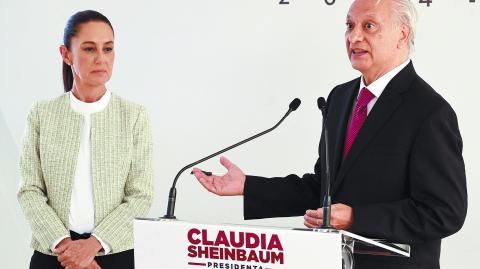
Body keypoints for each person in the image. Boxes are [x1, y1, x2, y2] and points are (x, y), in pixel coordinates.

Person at [192, 0, 468, 268]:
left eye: (369, 26)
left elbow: (443, 212)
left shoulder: (429, 111)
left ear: (402, 34)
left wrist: (355, 218)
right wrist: (248, 187)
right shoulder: (340, 97)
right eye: (349, 26)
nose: (354, 36)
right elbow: (324, 188)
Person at [18, 10, 154, 269]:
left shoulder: (134, 116)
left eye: (108, 49)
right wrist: (67, 248)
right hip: (53, 255)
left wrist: (92, 246)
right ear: (66, 54)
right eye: (90, 49)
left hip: (115, 256)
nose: (101, 59)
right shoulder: (41, 114)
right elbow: (29, 190)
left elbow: (141, 195)